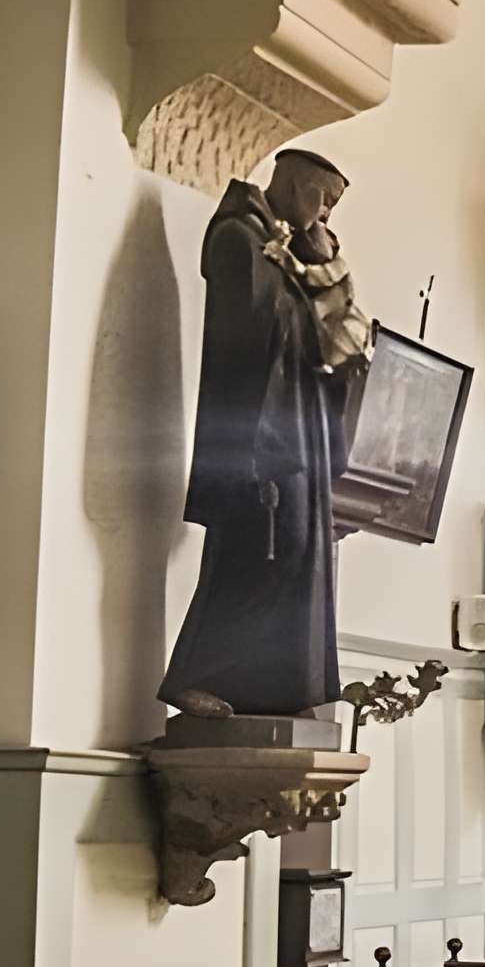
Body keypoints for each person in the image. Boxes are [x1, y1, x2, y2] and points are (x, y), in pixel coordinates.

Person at [160, 145, 372, 718]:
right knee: (252, 553)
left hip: (294, 432)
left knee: (299, 555)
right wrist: (304, 302)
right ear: (298, 185)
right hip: (258, 437)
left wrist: (320, 277)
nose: (327, 214)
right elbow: (249, 337)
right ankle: (195, 675)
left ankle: (272, 689)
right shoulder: (238, 237)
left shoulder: (289, 252)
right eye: (324, 199)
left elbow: (328, 337)